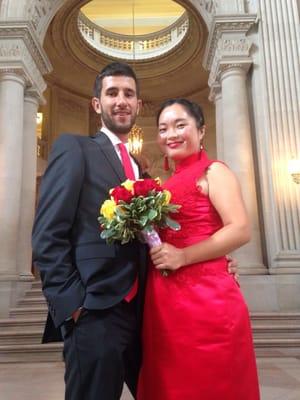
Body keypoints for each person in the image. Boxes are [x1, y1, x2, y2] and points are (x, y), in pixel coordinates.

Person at [32, 62, 148, 400]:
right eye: (112, 93)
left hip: (140, 312)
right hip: (94, 310)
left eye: (129, 94)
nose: (121, 100)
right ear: (97, 104)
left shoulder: (140, 168)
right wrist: (73, 305)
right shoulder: (75, 149)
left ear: (139, 105)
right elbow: (47, 234)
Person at [137, 99, 260, 400]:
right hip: (165, 301)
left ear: (201, 130)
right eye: (164, 128)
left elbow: (240, 229)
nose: (171, 134)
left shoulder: (214, 171)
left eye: (181, 125)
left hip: (207, 299)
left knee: (211, 384)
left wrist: (183, 256)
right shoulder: (166, 185)